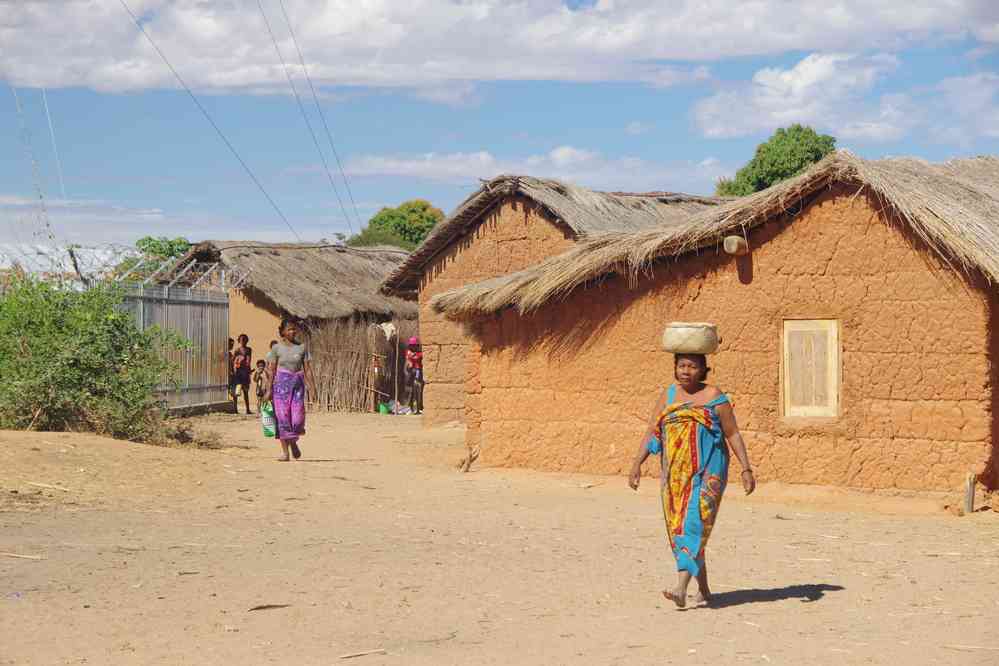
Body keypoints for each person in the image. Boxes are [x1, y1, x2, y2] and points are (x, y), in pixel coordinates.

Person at [628, 353, 755, 609]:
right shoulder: (669, 396)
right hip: (675, 474)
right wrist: (636, 463)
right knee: (682, 526)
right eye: (681, 365)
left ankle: (680, 588)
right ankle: (705, 590)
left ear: (703, 370)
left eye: (692, 366)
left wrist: (746, 468)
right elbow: (653, 429)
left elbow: (732, 432)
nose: (686, 371)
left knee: (695, 522)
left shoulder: (713, 396)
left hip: (710, 471)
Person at [262, 317, 314, 461]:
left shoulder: (302, 347)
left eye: (294, 329)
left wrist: (311, 386)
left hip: (297, 385)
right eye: (289, 329)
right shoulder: (276, 348)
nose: (292, 331)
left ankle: (292, 441)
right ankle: (286, 452)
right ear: (282, 332)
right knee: (282, 418)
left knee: (297, 419)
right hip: (281, 387)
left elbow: (308, 369)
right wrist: (268, 390)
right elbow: (271, 371)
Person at [231, 334, 253, 415]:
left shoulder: (249, 349)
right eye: (241, 339)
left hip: (245, 372)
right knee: (236, 391)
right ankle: (235, 409)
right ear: (239, 341)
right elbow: (233, 359)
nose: (243, 341)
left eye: (244, 339)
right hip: (238, 373)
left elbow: (248, 360)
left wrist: (248, 368)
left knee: (246, 391)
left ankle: (247, 409)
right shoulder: (237, 350)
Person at [405, 336, 424, 415]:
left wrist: (414, 355)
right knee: (411, 390)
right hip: (411, 372)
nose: (412, 347)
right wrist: (413, 356)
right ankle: (411, 407)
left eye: (413, 345)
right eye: (411, 345)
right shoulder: (408, 352)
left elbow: (417, 357)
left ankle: (419, 407)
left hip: (418, 372)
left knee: (418, 390)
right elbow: (409, 358)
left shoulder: (419, 353)